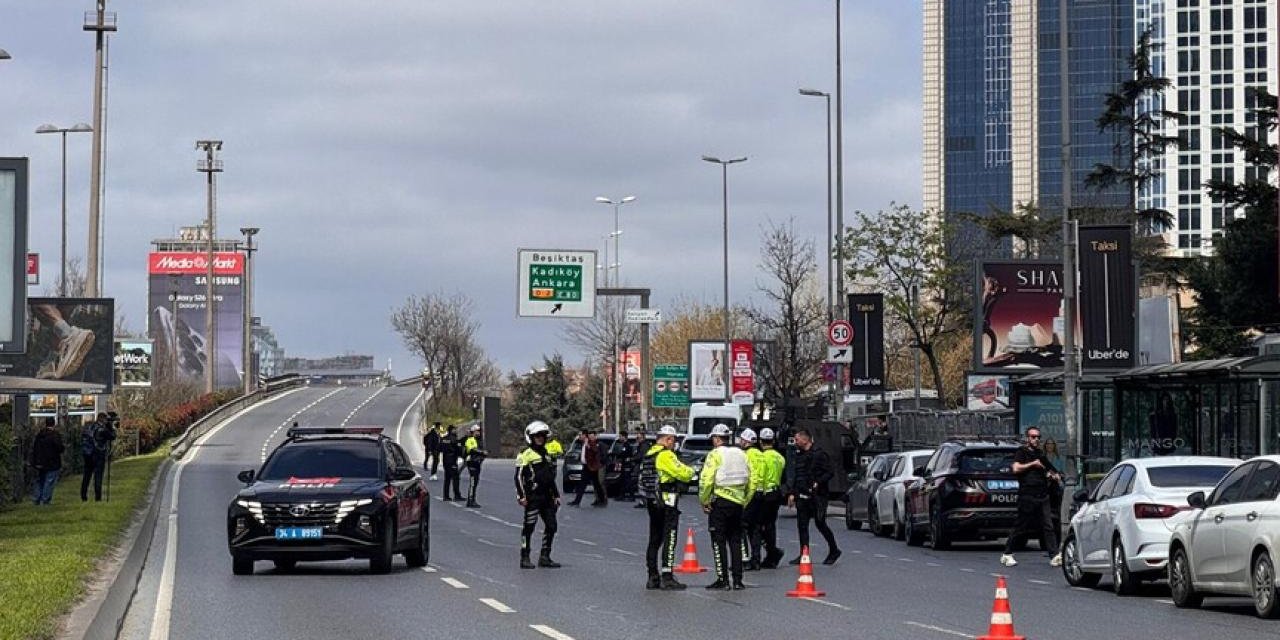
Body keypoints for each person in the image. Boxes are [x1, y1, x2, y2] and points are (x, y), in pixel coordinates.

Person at [699, 423, 754, 590]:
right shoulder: (741, 454)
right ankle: (738, 580)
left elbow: (706, 480)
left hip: (720, 503)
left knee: (719, 542)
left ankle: (723, 580)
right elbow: (752, 480)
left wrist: (704, 500)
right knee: (736, 542)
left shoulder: (715, 454)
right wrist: (745, 500)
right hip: (738, 504)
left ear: (716, 439)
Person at [640, 424, 695, 590]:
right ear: (668, 439)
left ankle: (652, 576)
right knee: (670, 538)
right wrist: (690, 471)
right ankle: (667, 576)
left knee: (654, 539)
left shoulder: (649, 454)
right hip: (667, 501)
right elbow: (684, 473)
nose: (674, 444)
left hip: (651, 500)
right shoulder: (665, 455)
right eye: (674, 440)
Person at [1000, 426, 1063, 568]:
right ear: (1027, 438)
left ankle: (1054, 555)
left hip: (1042, 495)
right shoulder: (1022, 452)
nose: (1036, 440)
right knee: (1021, 526)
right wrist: (1032, 464)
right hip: (1027, 495)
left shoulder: (1040, 454)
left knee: (1048, 525)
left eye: (1038, 437)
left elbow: (1050, 469)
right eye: (1033, 437)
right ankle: (1007, 553)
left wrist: (1053, 475)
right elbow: (1016, 468)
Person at [786, 428, 841, 565]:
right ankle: (804, 554)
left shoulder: (819, 454)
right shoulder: (798, 455)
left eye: (797, 439)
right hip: (803, 494)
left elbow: (830, 472)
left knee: (820, 522)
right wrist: (793, 493)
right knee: (802, 525)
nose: (795, 442)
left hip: (818, 496)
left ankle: (834, 549)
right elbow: (797, 475)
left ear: (805, 440)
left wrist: (818, 482)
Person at [515, 421, 561, 569]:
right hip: (533, 497)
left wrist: (556, 494)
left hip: (547, 497)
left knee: (552, 526)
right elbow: (518, 477)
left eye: (542, 436)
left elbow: (549, 477)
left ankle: (545, 556)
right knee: (529, 528)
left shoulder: (546, 453)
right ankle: (525, 556)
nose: (540, 439)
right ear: (531, 437)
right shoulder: (525, 454)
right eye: (537, 436)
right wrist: (522, 496)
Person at [754, 428, 787, 568]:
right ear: (773, 441)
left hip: (764, 494)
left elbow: (760, 476)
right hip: (776, 493)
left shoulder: (762, 457)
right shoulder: (780, 458)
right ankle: (771, 556)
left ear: (761, 442)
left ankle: (769, 553)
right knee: (770, 525)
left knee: (756, 525)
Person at [736, 428, 765, 571]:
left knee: (741, 527)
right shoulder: (761, 455)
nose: (739, 442)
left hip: (750, 493)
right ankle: (756, 559)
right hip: (762, 494)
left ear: (746, 441)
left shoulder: (745, 455)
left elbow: (745, 475)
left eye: (741, 439)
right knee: (756, 529)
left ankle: (745, 559)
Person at [80, 413, 116, 502]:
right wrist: (110, 427)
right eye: (105, 420)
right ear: (102, 419)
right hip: (98, 454)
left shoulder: (89, 427)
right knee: (98, 476)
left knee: (86, 476)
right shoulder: (102, 430)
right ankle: (98, 498)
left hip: (88, 454)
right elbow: (113, 436)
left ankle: (83, 496)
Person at [30, 417, 65, 505]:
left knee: (40, 480)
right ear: (54, 424)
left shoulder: (40, 435)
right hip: (52, 462)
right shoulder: (55, 435)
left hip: (40, 462)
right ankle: (45, 499)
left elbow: (34, 448)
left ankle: (37, 498)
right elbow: (59, 448)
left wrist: (35, 461)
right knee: (49, 481)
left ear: (46, 424)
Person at [569, 430, 607, 507]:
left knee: (595, 485)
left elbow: (595, 451)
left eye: (581, 435)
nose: (579, 436)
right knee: (584, 484)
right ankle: (577, 501)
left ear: (585, 436)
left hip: (592, 467)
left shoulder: (591, 443)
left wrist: (588, 445)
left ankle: (602, 500)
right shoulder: (584, 443)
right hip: (586, 467)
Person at [463, 424, 487, 508]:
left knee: (476, 482)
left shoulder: (479, 440)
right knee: (473, 482)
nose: (479, 432)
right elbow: (471, 449)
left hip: (477, 463)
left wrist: (483, 454)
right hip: (472, 462)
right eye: (477, 431)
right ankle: (470, 500)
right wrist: (481, 452)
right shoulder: (470, 440)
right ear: (473, 432)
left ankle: (473, 499)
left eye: (479, 431)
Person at [440, 425, 465, 501]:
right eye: (455, 429)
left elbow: (439, 448)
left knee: (447, 479)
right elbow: (459, 449)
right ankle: (457, 495)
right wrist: (462, 455)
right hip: (452, 460)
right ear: (452, 430)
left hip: (445, 460)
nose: (456, 431)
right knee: (456, 478)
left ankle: (446, 496)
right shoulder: (454, 439)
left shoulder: (443, 439)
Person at [616, 429, 636, 502]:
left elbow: (624, 454)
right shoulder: (624, 445)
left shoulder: (627, 445)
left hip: (627, 465)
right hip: (624, 464)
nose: (620, 438)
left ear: (624, 437)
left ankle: (631, 496)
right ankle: (621, 495)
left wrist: (619, 455)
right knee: (623, 480)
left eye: (621, 436)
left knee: (627, 480)